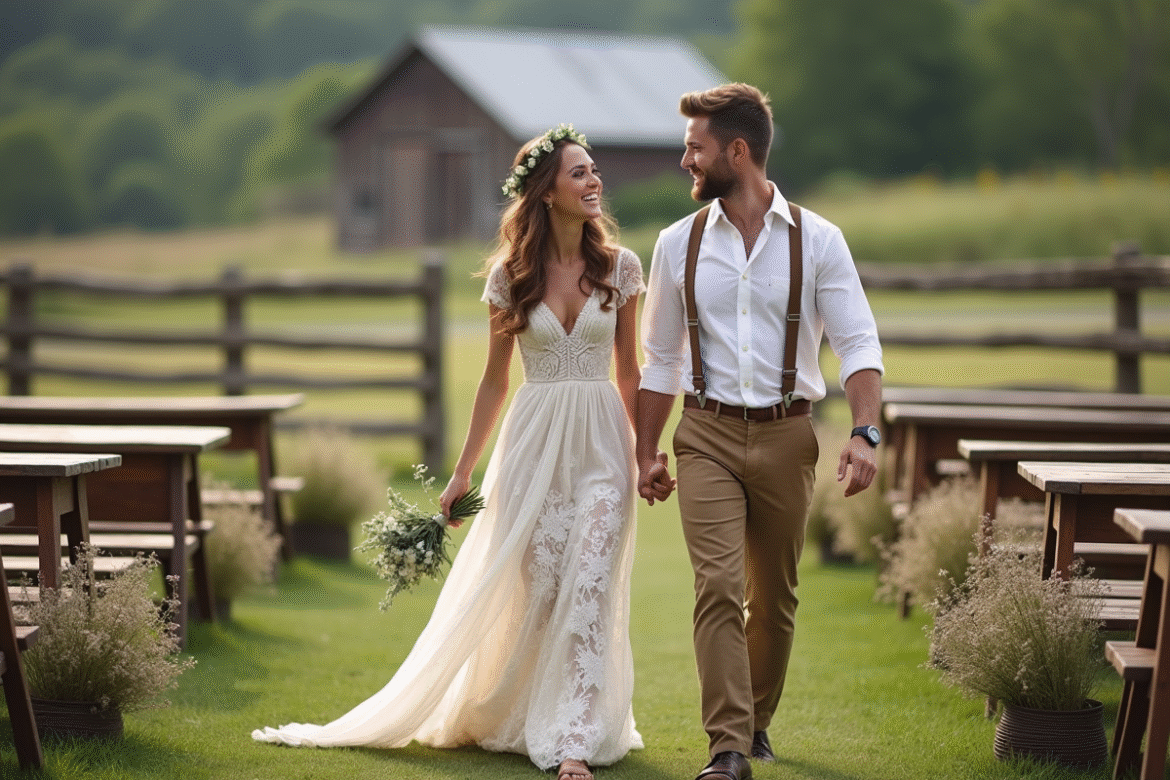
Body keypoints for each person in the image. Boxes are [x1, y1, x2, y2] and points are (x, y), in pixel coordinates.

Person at [253, 125, 653, 780]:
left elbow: (630, 372)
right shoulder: (511, 277)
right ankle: (522, 716)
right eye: (579, 172)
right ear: (546, 192)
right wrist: (463, 471)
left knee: (590, 582)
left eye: (594, 170)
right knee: (543, 590)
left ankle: (573, 738)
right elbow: (496, 381)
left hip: (604, 441)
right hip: (533, 445)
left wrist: (645, 454)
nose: (594, 181)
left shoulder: (622, 267)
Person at [635, 83, 884, 780]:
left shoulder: (820, 240)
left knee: (772, 598)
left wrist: (865, 434)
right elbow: (658, 361)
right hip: (706, 433)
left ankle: (756, 722)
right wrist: (645, 452)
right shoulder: (674, 244)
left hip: (787, 435)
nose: (686, 159)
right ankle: (728, 748)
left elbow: (859, 346)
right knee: (715, 586)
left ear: (736, 152)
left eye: (696, 147)